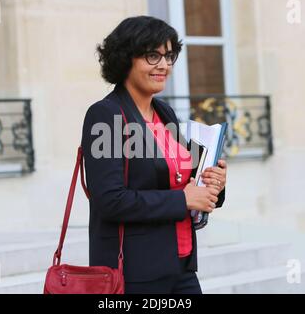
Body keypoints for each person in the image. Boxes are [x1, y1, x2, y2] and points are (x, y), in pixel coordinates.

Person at [81, 15, 227, 294]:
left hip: (181, 266)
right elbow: (110, 200)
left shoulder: (165, 113)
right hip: (134, 273)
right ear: (126, 58)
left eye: (169, 56)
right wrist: (182, 199)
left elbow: (187, 179)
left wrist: (214, 182)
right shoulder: (107, 115)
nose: (163, 65)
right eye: (152, 56)